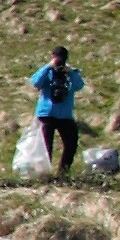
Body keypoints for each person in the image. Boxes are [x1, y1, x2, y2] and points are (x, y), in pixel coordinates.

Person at [35, 45, 88, 175]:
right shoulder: (47, 72)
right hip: (47, 113)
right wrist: (49, 66)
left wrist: (70, 72)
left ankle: (63, 172)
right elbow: (35, 82)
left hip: (64, 115)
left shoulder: (70, 72)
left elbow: (79, 85)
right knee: (46, 147)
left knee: (71, 143)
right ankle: (44, 174)